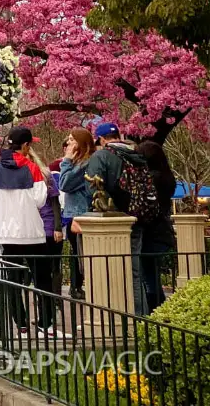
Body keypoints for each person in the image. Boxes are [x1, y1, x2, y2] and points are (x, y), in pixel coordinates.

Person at [83, 123, 153, 315]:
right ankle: (141, 316)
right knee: (135, 271)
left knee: (111, 271)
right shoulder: (136, 155)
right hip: (136, 216)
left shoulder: (101, 156)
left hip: (111, 222)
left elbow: (93, 190)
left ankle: (118, 316)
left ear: (102, 139)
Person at [0, 126, 49, 335]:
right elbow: (40, 200)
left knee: (13, 282)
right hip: (31, 232)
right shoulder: (32, 168)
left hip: (7, 233)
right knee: (43, 280)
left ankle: (21, 322)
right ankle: (45, 323)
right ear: (25, 145)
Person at [135, 140, 176, 313]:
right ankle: (158, 308)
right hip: (162, 232)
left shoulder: (151, 179)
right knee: (152, 274)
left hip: (152, 233)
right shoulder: (168, 177)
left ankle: (155, 309)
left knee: (148, 276)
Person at [58, 128, 94, 299]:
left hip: (81, 213)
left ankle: (79, 286)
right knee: (76, 253)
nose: (69, 143)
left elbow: (64, 183)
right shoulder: (78, 163)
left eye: (72, 140)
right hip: (75, 212)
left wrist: (66, 160)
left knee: (81, 254)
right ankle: (76, 285)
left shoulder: (84, 164)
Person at [31, 151, 63, 335]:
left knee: (51, 272)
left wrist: (58, 228)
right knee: (40, 276)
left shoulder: (45, 174)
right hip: (34, 229)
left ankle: (50, 314)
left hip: (49, 229)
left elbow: (55, 203)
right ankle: (46, 315)